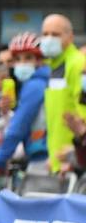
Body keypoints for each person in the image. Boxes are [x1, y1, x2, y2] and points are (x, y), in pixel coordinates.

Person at [0, 32, 51, 178]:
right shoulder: (44, 81)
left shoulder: (35, 85)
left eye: (28, 57)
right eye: (18, 59)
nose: (22, 63)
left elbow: (19, 126)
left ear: (39, 60)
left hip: (42, 156)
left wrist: (0, 160)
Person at [38, 14, 85, 175]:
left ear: (70, 37)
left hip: (75, 163)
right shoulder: (52, 67)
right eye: (45, 34)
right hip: (60, 163)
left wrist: (76, 153)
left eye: (55, 34)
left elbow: (83, 113)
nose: (49, 39)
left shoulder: (78, 64)